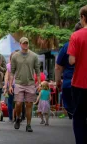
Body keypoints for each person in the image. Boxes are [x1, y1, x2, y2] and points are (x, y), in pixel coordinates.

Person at [9, 37, 41, 132]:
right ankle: (18, 118)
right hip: (18, 83)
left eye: (26, 43)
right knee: (18, 103)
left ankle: (28, 124)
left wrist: (39, 84)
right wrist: (10, 85)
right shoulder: (15, 56)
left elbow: (38, 71)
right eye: (23, 43)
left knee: (29, 104)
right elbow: (12, 72)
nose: (25, 45)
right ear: (20, 44)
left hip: (30, 83)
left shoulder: (34, 56)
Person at [67, 5, 87, 144]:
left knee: (79, 116)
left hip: (80, 83)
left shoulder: (76, 35)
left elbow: (72, 60)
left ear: (83, 17)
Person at [55, 22, 82, 120]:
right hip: (82, 83)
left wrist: (58, 81)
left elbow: (58, 67)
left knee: (75, 113)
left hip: (69, 84)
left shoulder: (67, 46)